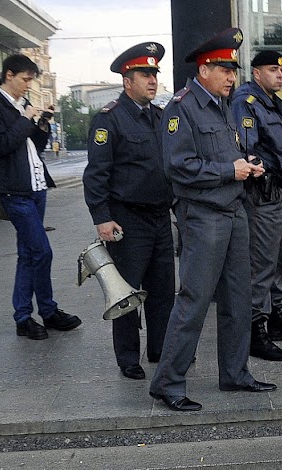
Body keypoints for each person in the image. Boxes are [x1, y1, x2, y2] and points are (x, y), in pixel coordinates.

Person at [149, 28, 274, 413]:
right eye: (224, 69)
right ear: (204, 69)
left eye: (233, 70)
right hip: (202, 216)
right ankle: (168, 382)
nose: (232, 77)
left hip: (234, 212)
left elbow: (227, 155)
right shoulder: (181, 108)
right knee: (194, 300)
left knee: (238, 297)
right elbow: (178, 166)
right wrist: (227, 170)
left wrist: (247, 167)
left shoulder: (225, 105)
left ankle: (235, 372)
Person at [82, 42, 175, 381]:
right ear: (127, 80)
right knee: (126, 292)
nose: (152, 80)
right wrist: (102, 218)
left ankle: (160, 349)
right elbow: (96, 174)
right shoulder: (110, 119)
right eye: (144, 74)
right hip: (127, 220)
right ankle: (127, 358)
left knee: (163, 289)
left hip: (159, 216)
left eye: (154, 74)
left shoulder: (159, 116)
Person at [0, 53, 81, 341]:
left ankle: (27, 316)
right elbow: (0, 145)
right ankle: (44, 311)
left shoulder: (19, 107)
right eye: (25, 80)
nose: (27, 86)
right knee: (41, 252)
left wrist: (43, 121)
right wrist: (25, 119)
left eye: (30, 81)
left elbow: (30, 144)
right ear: (9, 75)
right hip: (14, 190)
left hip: (35, 188)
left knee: (28, 254)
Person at [232, 50, 282, 361]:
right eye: (272, 70)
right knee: (261, 264)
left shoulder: (272, 102)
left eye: (281, 70)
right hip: (263, 194)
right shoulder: (246, 102)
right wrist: (271, 169)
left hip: (280, 193)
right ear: (255, 73)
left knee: (278, 261)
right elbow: (248, 150)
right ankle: (254, 329)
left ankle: (274, 316)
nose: (280, 74)